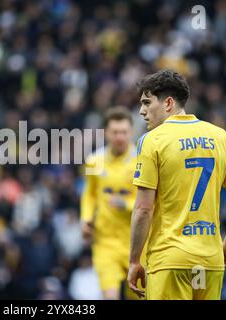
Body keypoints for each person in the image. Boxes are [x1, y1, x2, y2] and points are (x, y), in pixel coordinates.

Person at [127, 70, 226, 300]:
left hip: (170, 262)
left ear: (168, 103)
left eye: (146, 102)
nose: (142, 111)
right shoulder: (220, 136)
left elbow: (143, 209)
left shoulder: (152, 140)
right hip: (208, 262)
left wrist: (134, 260)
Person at [81, 106, 145, 300]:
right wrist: (85, 218)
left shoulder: (142, 162)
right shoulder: (94, 161)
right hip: (105, 241)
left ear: (131, 133)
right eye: (115, 132)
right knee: (110, 296)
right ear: (106, 133)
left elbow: (151, 200)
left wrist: (125, 204)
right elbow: (89, 194)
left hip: (138, 242)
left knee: (140, 296)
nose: (119, 137)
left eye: (124, 132)